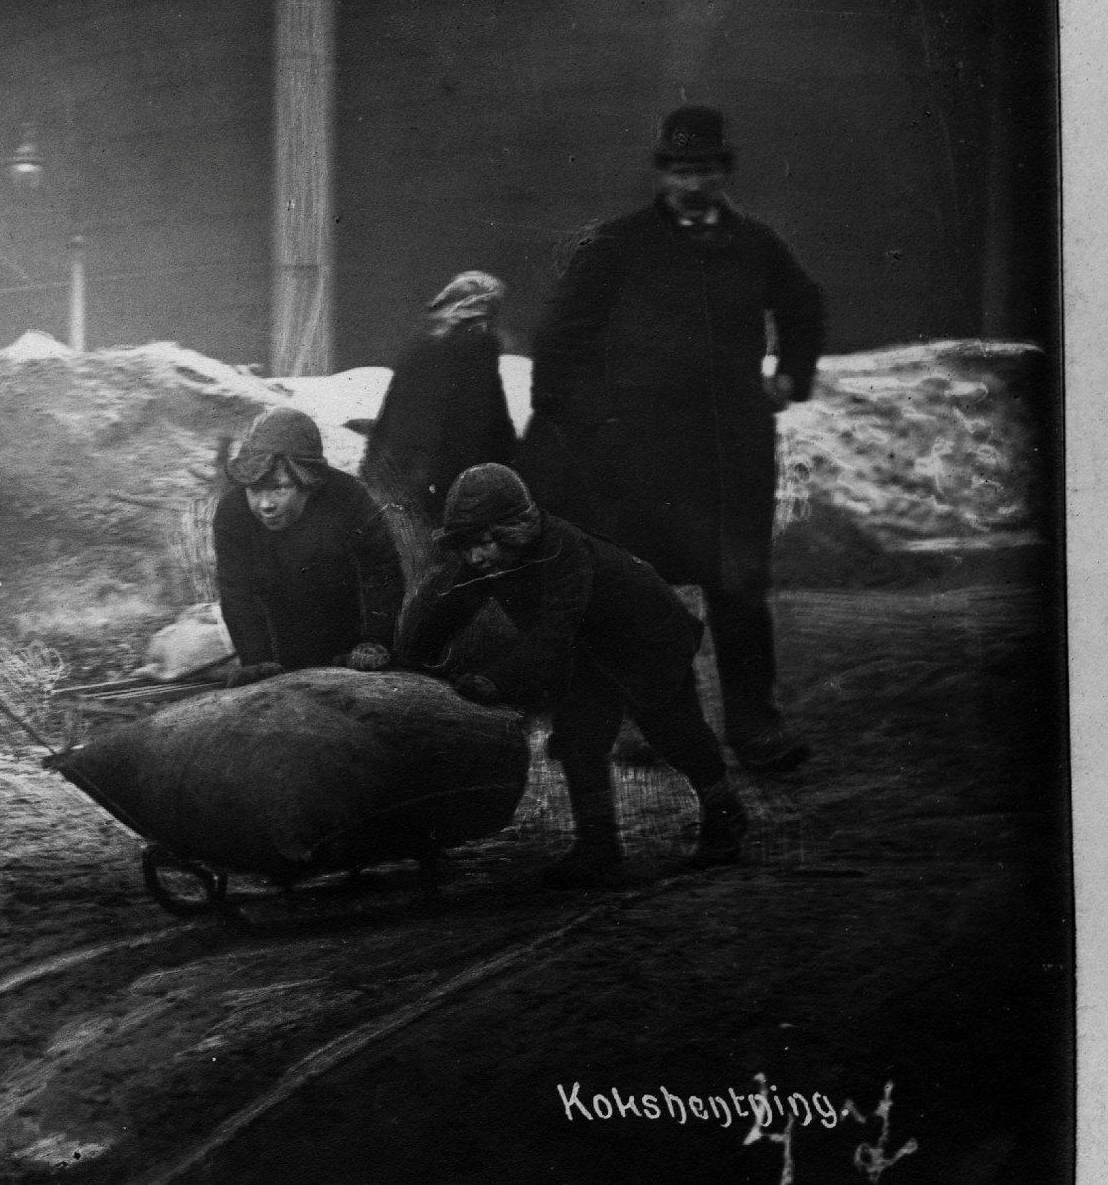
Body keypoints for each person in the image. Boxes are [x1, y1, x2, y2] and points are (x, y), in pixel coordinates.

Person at [515, 105, 823, 772]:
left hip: (730, 455)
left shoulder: (755, 243)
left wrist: (791, 375)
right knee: (630, 594)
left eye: (705, 168)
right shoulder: (618, 246)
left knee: (739, 589)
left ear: (722, 172)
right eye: (681, 169)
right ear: (663, 173)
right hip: (640, 460)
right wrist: (597, 424)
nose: (693, 181)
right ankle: (615, 725)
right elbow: (560, 340)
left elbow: (802, 304)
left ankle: (755, 726)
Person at [395, 464, 748, 886]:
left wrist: (496, 680)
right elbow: (444, 611)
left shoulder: (564, 551)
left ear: (516, 529)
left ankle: (726, 816)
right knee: (579, 741)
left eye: (486, 541)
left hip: (647, 639)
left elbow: (551, 635)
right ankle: (597, 847)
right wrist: (407, 667)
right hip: (587, 654)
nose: (476, 557)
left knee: (676, 731)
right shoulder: (484, 562)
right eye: (467, 545)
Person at [213, 407, 405, 686]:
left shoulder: (348, 498)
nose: (265, 505)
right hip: (278, 638)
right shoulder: (233, 512)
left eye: (279, 488)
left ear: (308, 481)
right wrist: (256, 660)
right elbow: (236, 591)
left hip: (347, 639)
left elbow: (382, 569)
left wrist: (375, 641)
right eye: (255, 490)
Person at [361, 270, 517, 528]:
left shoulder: (425, 346)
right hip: (435, 484)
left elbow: (389, 420)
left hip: (406, 478)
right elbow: (481, 426)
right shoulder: (473, 350)